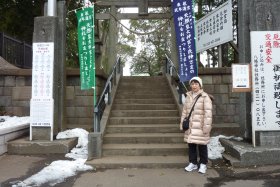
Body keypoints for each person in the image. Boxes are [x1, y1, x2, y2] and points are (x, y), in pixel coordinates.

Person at [180, 76, 213, 174]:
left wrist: (207, 127)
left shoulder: (205, 96)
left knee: (202, 145)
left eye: (196, 84)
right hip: (190, 126)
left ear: (200, 85)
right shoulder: (188, 96)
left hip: (200, 126)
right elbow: (184, 112)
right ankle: (193, 163)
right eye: (192, 84)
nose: (194, 86)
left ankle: (203, 164)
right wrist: (182, 123)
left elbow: (208, 114)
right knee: (191, 145)